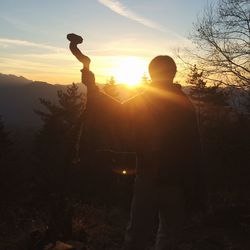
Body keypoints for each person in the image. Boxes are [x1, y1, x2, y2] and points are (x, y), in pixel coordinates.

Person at [68, 36, 205, 249]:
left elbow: (116, 113)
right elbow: (194, 151)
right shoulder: (185, 105)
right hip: (175, 183)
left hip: (148, 179)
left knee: (137, 235)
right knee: (170, 234)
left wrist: (93, 89)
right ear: (173, 73)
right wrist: (196, 189)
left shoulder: (145, 100)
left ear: (152, 74)